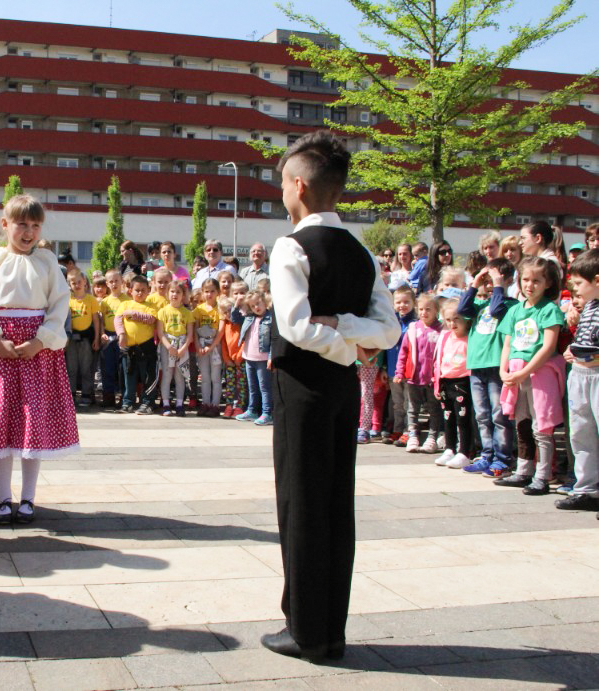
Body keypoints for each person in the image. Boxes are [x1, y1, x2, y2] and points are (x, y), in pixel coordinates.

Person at [263, 131, 399, 662]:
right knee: (336, 503)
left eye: (283, 183)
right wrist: (351, 336)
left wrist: (339, 336)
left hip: (303, 386)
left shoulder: (291, 245)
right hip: (342, 388)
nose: (282, 192)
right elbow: (386, 329)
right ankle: (330, 629)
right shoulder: (361, 251)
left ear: (299, 185)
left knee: (301, 502)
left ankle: (305, 630)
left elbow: (295, 325)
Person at [0, 195, 78, 526]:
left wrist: (41, 340)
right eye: (21, 225)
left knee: (32, 423)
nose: (28, 232)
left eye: (35, 225)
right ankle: (4, 497)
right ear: (5, 225)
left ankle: (28, 497)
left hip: (37, 351)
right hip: (2, 349)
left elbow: (59, 304)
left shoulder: (47, 260)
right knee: (0, 422)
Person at [494, 256, 566, 495]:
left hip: (539, 374)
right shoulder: (515, 310)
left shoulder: (549, 310)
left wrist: (525, 371)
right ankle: (523, 470)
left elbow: (548, 346)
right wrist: (504, 370)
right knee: (522, 422)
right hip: (516, 374)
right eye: (525, 279)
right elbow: (507, 344)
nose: (530, 285)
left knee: (541, 426)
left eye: (536, 280)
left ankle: (543, 475)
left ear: (548, 283)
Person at [458, 259, 518, 477]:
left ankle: (503, 459)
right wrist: (475, 284)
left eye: (494, 279)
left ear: (508, 280)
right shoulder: (479, 306)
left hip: (495, 366)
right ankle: (487, 455)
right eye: (488, 279)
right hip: (477, 366)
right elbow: (462, 309)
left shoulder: (511, 306)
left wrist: (499, 285)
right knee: (482, 415)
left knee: (499, 415)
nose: (490, 283)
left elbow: (497, 310)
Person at [557, 249, 599, 511]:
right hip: (580, 375)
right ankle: (587, 489)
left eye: (580, 283)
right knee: (581, 434)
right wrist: (572, 350)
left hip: (596, 374)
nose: (575, 289)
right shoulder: (588, 307)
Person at [394, 294, 443, 453]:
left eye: (428, 309)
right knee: (413, 409)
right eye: (421, 309)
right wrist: (399, 372)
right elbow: (404, 352)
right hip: (414, 377)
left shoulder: (442, 330)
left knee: (434, 409)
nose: (424, 312)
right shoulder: (413, 329)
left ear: (436, 311)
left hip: (433, 379)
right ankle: (413, 435)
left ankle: (432, 437)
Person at [433, 303, 474, 469]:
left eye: (456, 319)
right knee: (448, 417)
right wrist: (437, 383)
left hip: (462, 381)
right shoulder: (445, 337)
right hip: (445, 381)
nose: (452, 323)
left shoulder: (470, 337)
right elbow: (438, 360)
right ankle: (450, 448)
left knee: (462, 418)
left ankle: (465, 451)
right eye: (448, 319)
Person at [115, 274, 159, 415]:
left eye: (143, 290)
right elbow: (118, 320)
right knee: (129, 377)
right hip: (129, 348)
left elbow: (151, 319)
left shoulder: (151, 305)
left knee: (148, 376)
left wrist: (133, 314)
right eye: (137, 290)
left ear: (148, 291)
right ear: (130, 291)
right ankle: (128, 402)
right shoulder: (124, 305)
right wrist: (121, 334)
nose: (140, 293)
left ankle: (148, 402)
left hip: (146, 347)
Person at [235, 290, 273, 424]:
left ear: (265, 301)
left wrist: (271, 357)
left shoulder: (270, 318)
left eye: (258, 303)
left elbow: (273, 340)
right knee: (252, 387)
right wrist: (237, 304)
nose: (256, 307)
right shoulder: (249, 317)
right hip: (249, 357)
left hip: (263, 358)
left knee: (265, 387)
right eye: (252, 306)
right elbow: (234, 318)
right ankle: (252, 410)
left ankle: (267, 413)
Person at [156, 279, 193, 417]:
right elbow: (160, 333)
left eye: (178, 292)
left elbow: (190, 334)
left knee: (179, 376)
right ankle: (166, 403)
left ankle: (179, 404)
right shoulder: (163, 311)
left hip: (182, 346)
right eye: (172, 291)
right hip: (168, 346)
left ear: (183, 295)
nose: (175, 294)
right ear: (167, 293)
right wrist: (168, 346)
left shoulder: (187, 313)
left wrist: (183, 348)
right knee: (167, 375)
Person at [384, 286, 416, 445]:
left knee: (409, 403)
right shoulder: (391, 321)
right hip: (392, 369)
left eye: (406, 302)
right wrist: (384, 368)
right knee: (397, 403)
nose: (402, 305)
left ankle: (408, 431)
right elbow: (385, 345)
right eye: (398, 302)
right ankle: (397, 429)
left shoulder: (415, 324)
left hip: (409, 371)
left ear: (413, 303)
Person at [66, 267, 101, 406]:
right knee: (71, 368)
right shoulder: (68, 299)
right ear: (70, 285)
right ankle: (71, 394)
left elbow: (96, 320)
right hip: (71, 339)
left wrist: (97, 338)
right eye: (73, 283)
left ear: (85, 281)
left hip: (86, 338)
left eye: (79, 281)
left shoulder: (91, 300)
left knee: (86, 367)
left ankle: (86, 394)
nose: (77, 285)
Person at [193, 278, 224, 417]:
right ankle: (205, 403)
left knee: (215, 377)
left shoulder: (220, 309)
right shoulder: (199, 309)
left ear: (218, 292)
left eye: (212, 291)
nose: (209, 294)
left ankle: (215, 405)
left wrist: (212, 346)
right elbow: (195, 328)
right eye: (206, 291)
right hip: (202, 346)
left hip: (215, 346)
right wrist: (198, 345)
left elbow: (221, 330)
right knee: (205, 377)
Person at [98, 269, 126, 409]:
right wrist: (102, 333)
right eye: (111, 281)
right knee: (107, 367)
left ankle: (123, 396)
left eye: (116, 281)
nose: (114, 284)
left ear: (122, 282)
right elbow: (102, 321)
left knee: (121, 368)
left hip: (123, 336)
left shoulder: (128, 300)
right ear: (107, 284)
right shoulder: (105, 302)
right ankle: (108, 396)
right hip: (108, 336)